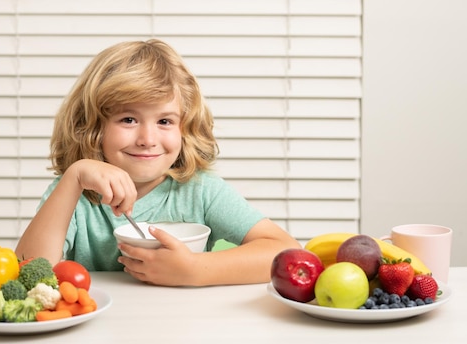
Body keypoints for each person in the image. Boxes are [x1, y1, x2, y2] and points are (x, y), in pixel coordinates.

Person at [15, 39, 301, 286]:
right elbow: (28, 273)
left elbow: (286, 252)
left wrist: (194, 270)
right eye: (128, 119)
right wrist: (75, 176)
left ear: (185, 128)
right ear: (91, 127)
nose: (147, 139)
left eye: (165, 121)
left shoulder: (201, 191)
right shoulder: (72, 194)